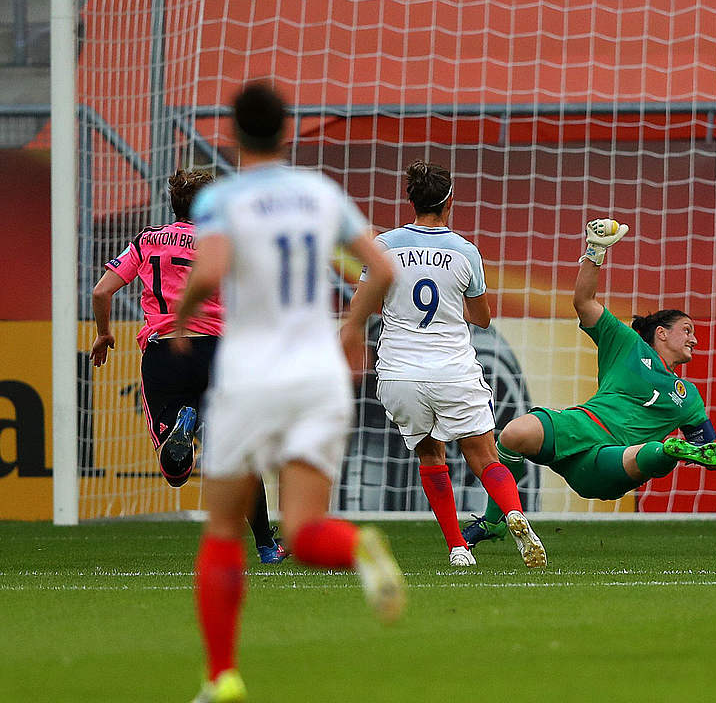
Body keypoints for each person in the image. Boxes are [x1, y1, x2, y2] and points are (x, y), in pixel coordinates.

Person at [176, 81, 405, 703]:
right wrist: (354, 326)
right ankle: (358, 545)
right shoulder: (319, 192)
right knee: (306, 531)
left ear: (233, 133)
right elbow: (381, 268)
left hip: (251, 378)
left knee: (223, 528)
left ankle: (222, 675)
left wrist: (180, 316)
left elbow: (214, 271)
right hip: (318, 377)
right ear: (286, 130)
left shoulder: (222, 198)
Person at [461, 219, 716, 547]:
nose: (695, 339)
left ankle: (667, 452)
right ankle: (495, 522)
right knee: (513, 433)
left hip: (614, 460)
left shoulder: (689, 398)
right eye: (687, 330)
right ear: (661, 333)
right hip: (581, 424)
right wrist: (595, 251)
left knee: (662, 450)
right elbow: (584, 302)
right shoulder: (625, 343)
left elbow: (713, 455)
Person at [339, 160, 544, 569]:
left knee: (431, 457)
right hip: (452, 369)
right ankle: (514, 513)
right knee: (485, 457)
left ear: (410, 200)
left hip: (400, 373)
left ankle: (457, 548)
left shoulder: (382, 247)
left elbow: (359, 310)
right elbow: (483, 318)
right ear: (450, 202)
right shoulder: (465, 251)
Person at [89, 170, 286, 565]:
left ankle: (182, 420)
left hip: (164, 353)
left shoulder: (146, 240)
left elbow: (101, 290)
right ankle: (266, 547)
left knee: (175, 473)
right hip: (219, 354)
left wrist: (104, 334)